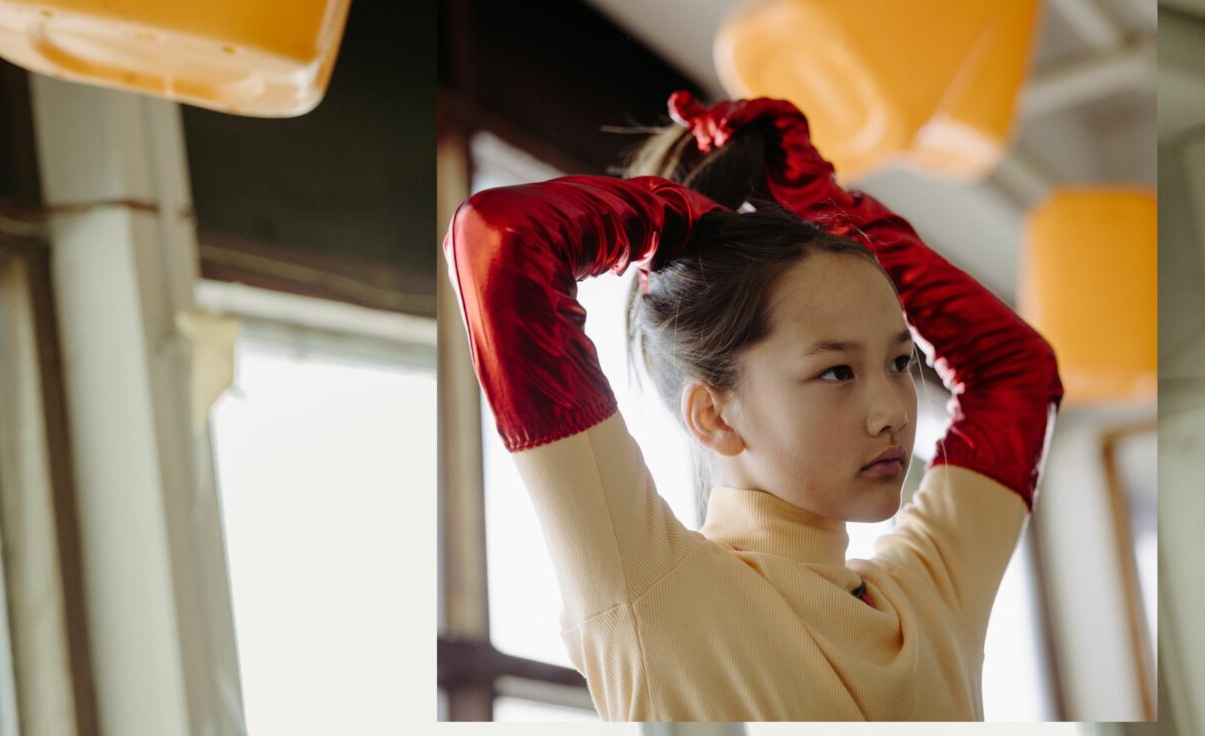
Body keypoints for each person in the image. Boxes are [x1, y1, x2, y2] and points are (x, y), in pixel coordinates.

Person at [443, 91, 1064, 720]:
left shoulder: (930, 598)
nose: (893, 413)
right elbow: (502, 240)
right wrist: (682, 221)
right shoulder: (654, 592)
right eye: (837, 371)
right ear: (714, 416)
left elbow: (1019, 376)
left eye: (901, 362)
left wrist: (830, 208)